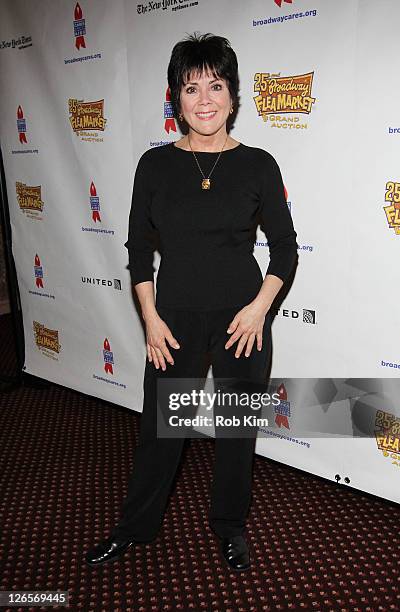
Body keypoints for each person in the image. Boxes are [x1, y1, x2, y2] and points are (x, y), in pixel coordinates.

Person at [85, 32, 298, 572]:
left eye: (216, 86)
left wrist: (259, 309)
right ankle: (135, 527)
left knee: (235, 431)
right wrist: (150, 319)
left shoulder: (259, 164)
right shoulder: (154, 167)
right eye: (191, 87)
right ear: (176, 100)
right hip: (172, 321)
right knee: (161, 431)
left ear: (233, 96)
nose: (205, 99)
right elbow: (138, 251)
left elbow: (285, 250)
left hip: (242, 321)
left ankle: (230, 526)